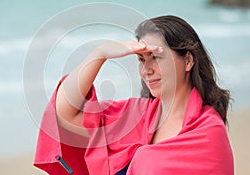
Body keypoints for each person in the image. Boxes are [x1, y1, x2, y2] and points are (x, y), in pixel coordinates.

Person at [34, 15, 234, 175]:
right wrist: (99, 54)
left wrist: (145, 159)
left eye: (155, 57)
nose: (147, 70)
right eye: (141, 59)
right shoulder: (137, 115)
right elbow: (64, 112)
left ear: (188, 61)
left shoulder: (209, 132)